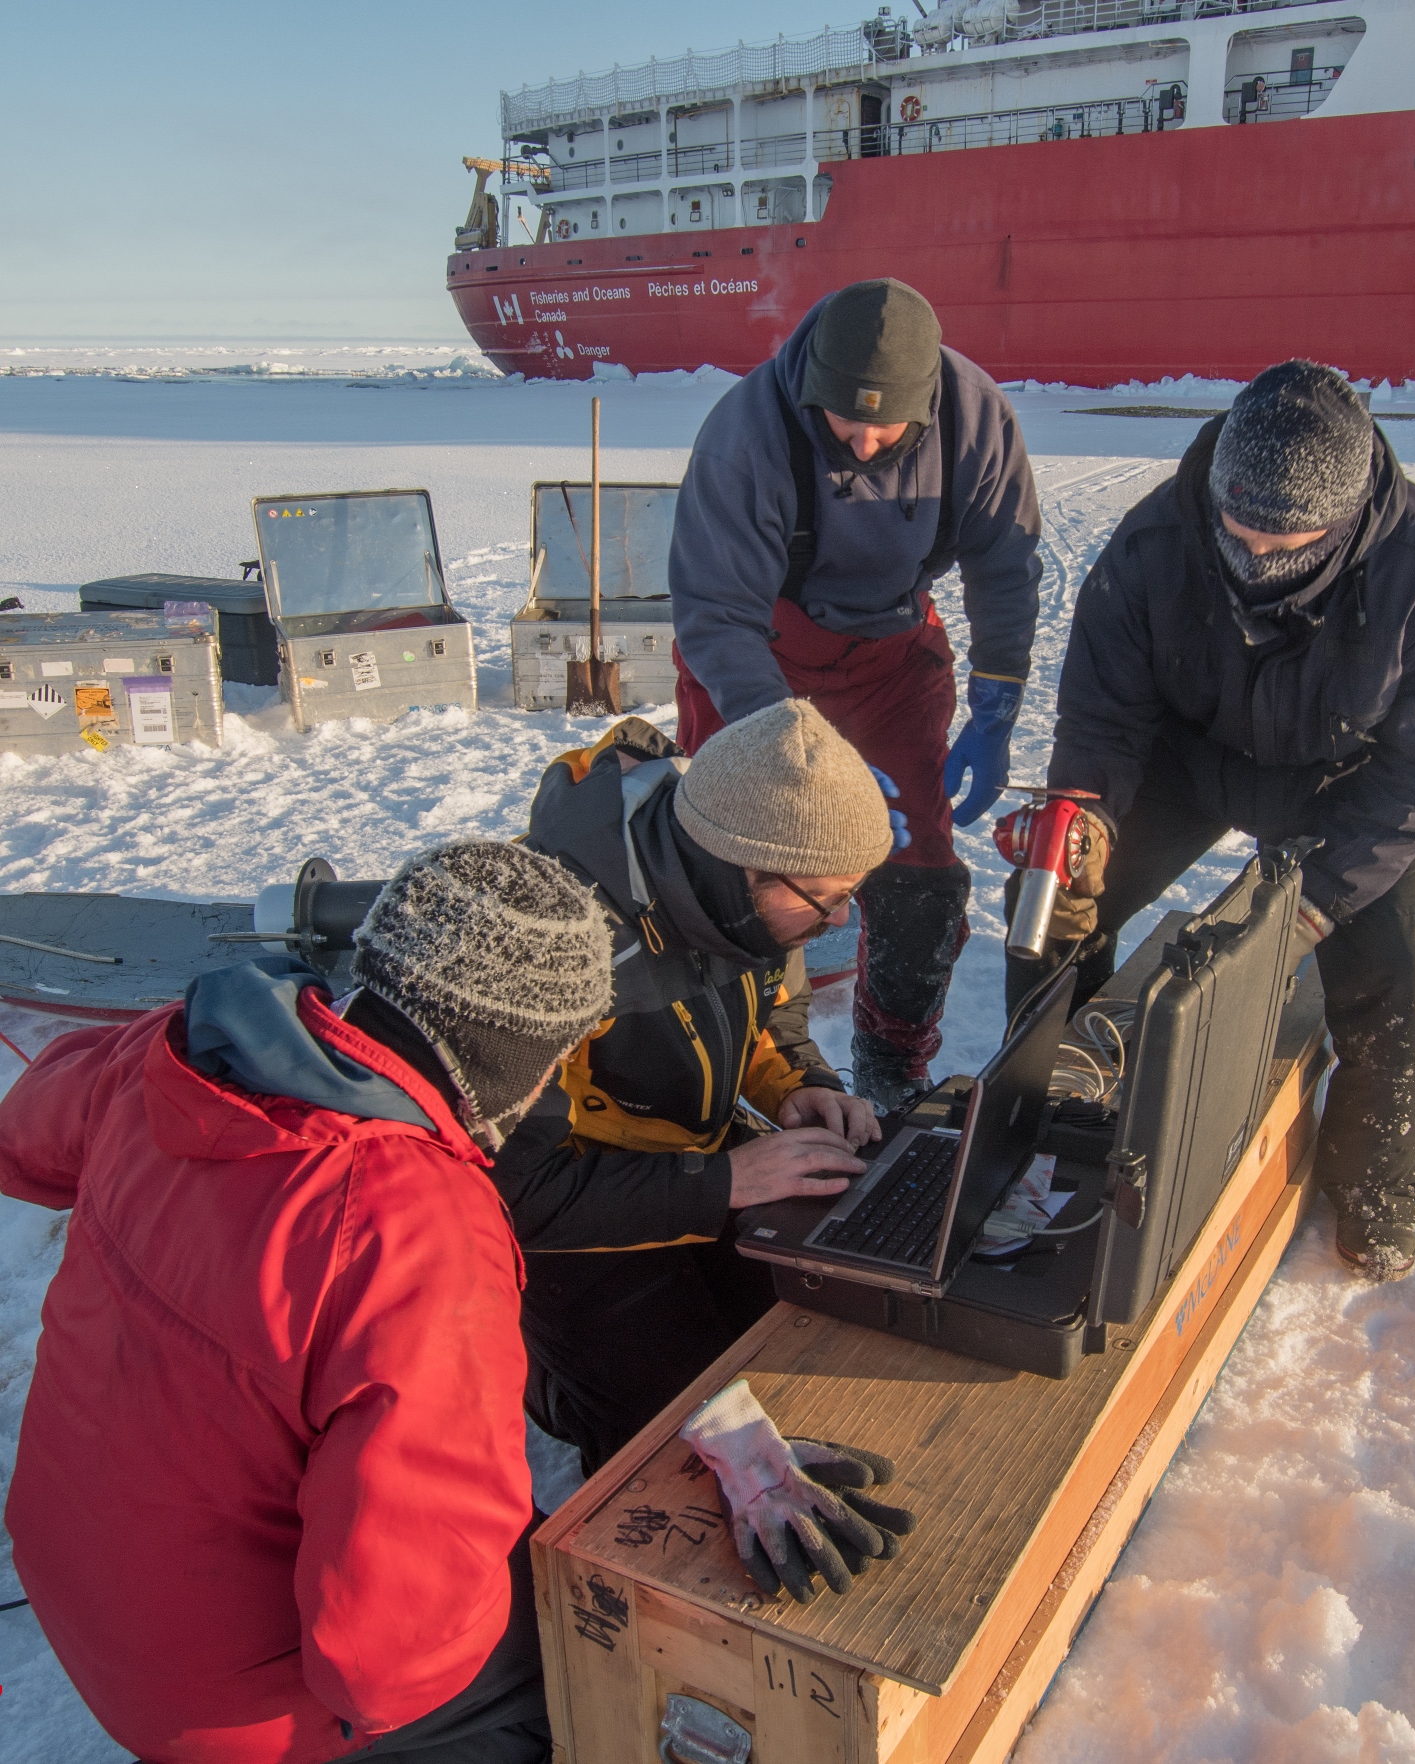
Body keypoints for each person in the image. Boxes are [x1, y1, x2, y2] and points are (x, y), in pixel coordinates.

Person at [0, 840, 614, 1764]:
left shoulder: (180, 1051)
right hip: (219, 1695)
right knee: (576, 1654)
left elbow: (24, 1138)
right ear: (514, 1056)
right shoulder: (417, 1233)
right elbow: (390, 1662)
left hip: (70, 1570)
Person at [1014, 360, 1415, 1281]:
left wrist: (1318, 900)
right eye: (1242, 532)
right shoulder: (1153, 542)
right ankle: (1041, 1134)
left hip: (1344, 786)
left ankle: (1376, 1200)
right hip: (1187, 760)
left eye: (1291, 542)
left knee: (1396, 976)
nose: (1261, 557)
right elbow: (1101, 719)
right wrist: (1080, 830)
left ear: (1349, 517)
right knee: (1050, 911)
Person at [667, 277, 1043, 1112]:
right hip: (761, 651)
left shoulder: (979, 420)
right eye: (847, 422)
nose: (867, 444)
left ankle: (891, 1064)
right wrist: (793, 755)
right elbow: (716, 617)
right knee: (741, 856)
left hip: (890, 653)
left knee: (921, 868)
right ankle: (744, 1055)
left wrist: (996, 707)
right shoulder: (745, 437)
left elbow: (1005, 572)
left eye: (888, 427)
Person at [494, 702, 894, 1474]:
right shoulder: (547, 939)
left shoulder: (756, 899)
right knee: (667, 1441)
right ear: (742, 869)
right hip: (578, 1212)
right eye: (824, 901)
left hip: (699, 1163)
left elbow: (772, 1015)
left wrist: (796, 1085)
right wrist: (725, 1181)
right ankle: (549, 1383)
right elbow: (519, 1191)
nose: (837, 919)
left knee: (807, 1336)